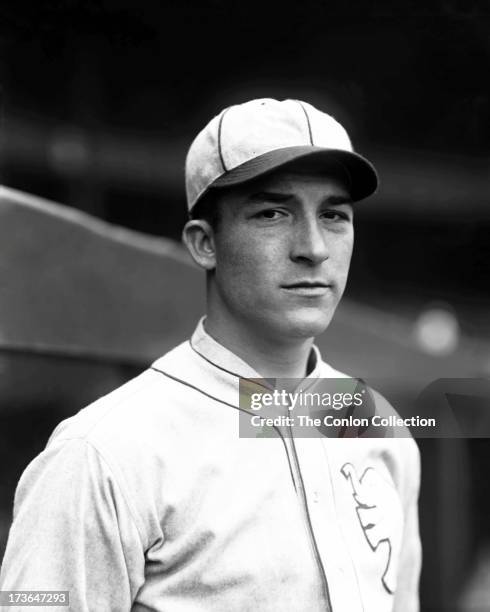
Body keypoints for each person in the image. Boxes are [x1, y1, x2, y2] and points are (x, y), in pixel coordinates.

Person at [0, 98, 421, 611]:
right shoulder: (100, 454)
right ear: (205, 244)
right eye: (272, 213)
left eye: (333, 215)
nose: (313, 247)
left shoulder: (381, 428)